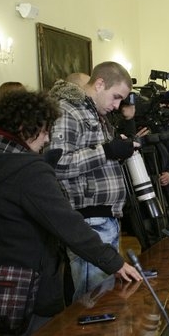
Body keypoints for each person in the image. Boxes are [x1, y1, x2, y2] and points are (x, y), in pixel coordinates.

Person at [0, 90, 141, 336]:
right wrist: (114, 262)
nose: (46, 139)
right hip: (30, 285)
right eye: (45, 131)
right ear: (25, 127)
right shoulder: (29, 171)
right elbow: (68, 225)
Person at [48, 61, 139, 301]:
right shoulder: (68, 111)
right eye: (116, 97)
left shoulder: (94, 112)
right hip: (89, 219)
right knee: (93, 301)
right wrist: (108, 151)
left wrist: (119, 151)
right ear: (99, 84)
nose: (117, 105)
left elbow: (96, 158)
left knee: (103, 296)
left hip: (105, 217)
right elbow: (57, 164)